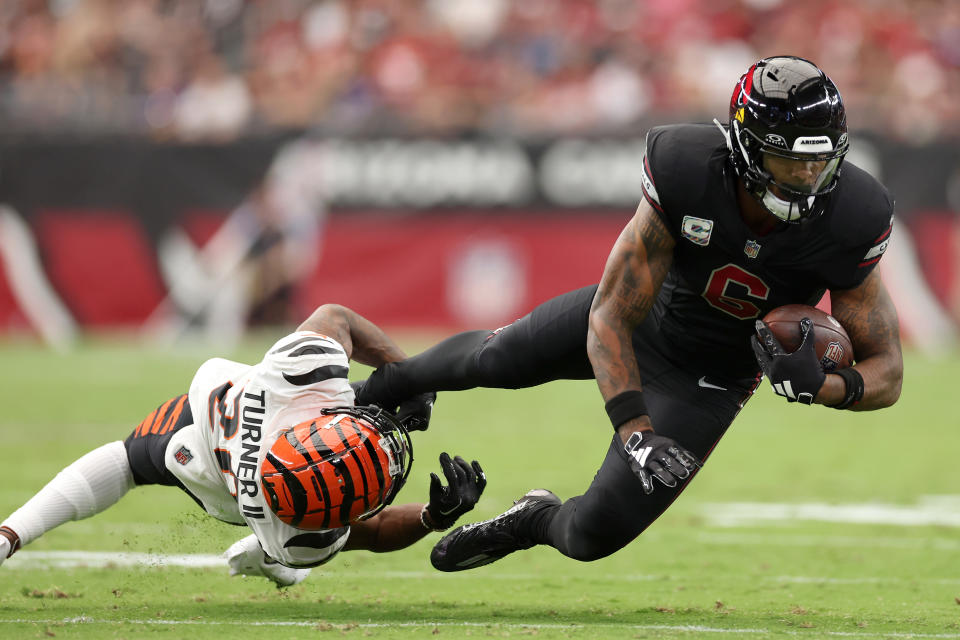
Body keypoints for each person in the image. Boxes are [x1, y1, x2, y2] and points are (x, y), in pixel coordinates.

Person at [352, 56, 904, 571]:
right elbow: (611, 316)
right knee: (495, 359)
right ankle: (372, 394)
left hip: (708, 381)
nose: (807, 178)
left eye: (819, 162)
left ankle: (534, 518)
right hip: (642, 319)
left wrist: (823, 386)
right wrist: (635, 431)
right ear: (745, 148)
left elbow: (889, 371)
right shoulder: (688, 169)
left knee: (591, 537)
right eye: (790, 160)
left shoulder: (852, 216)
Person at [0, 304, 485, 586]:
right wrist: (433, 517)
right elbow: (374, 531)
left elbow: (335, 317)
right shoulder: (299, 540)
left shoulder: (295, 377)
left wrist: (412, 378)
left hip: (248, 418)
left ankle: (7, 536)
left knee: (128, 456)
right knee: (132, 461)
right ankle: (267, 561)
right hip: (208, 458)